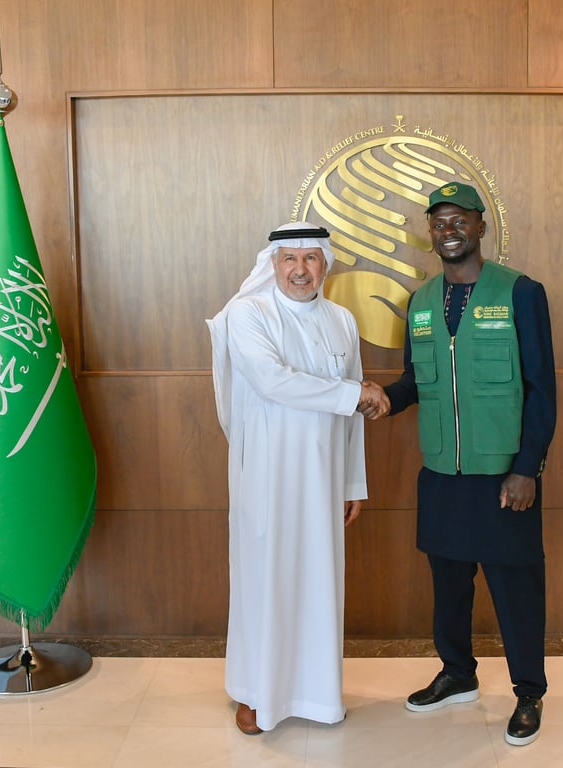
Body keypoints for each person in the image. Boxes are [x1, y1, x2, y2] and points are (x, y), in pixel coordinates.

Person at [382, 182, 557, 746]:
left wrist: (527, 467)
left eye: (459, 220)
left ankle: (528, 692)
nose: (449, 231)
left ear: (481, 226)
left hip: (503, 476)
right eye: (439, 224)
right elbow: (415, 380)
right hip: (442, 475)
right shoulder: (421, 302)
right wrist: (385, 398)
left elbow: (541, 388)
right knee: (449, 585)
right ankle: (458, 673)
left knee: (516, 588)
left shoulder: (520, 292)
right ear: (430, 234)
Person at [207, 222, 387, 735]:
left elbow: (352, 416)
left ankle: (317, 694)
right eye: (290, 259)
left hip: (324, 480)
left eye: (311, 259)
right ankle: (254, 694)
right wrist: (354, 394)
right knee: (266, 583)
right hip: (266, 478)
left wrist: (352, 484)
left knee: (318, 583)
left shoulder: (342, 320)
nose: (301, 270)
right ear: (274, 264)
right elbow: (273, 381)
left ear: (325, 264)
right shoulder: (248, 313)